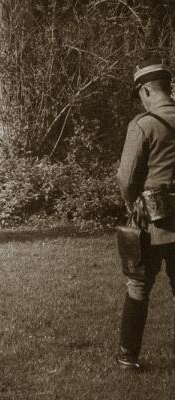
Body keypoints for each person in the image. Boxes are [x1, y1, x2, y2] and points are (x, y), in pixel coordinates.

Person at [116, 58, 175, 370]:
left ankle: (128, 357)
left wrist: (131, 205)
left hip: (151, 223)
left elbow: (126, 178)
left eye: (140, 93)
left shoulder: (144, 124)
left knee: (138, 286)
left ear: (147, 91)